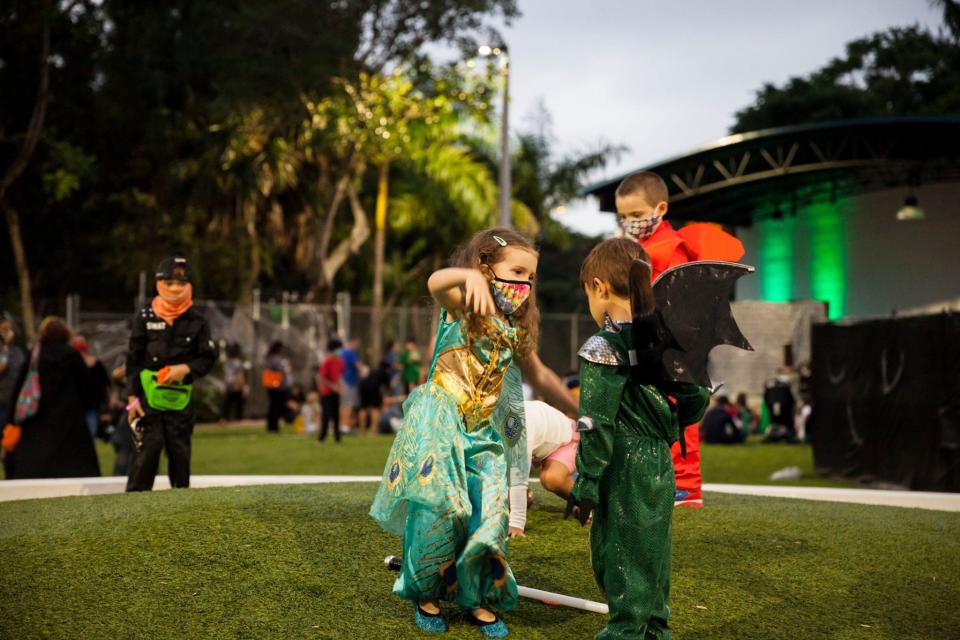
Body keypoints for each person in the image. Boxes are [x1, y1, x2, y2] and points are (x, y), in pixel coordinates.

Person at [370, 228, 576, 637]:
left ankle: (476, 597)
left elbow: (542, 375)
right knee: (441, 511)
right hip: (441, 425)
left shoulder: (514, 330)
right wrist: (467, 279)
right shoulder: (462, 305)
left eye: (530, 277)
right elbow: (435, 283)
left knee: (491, 514)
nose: (524, 284)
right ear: (485, 267)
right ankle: (424, 595)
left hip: (484, 433)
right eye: (516, 271)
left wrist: (580, 412)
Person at [566, 238, 709, 640]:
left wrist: (587, 480)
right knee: (652, 555)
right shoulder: (662, 342)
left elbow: (595, 421)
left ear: (598, 287)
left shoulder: (603, 345)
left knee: (619, 558)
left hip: (622, 462)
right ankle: (654, 632)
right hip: (660, 461)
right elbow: (696, 399)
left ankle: (626, 633)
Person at [615, 170, 744, 508]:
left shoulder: (673, 249)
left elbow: (678, 300)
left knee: (678, 415)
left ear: (660, 208)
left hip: (675, 345)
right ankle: (656, 481)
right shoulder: (640, 248)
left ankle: (687, 488)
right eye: (625, 216)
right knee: (648, 413)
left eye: (638, 215)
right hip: (646, 343)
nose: (630, 222)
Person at [125, 255, 218, 491]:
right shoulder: (145, 317)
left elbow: (207, 357)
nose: (175, 289)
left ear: (189, 287)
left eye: (181, 284)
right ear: (159, 284)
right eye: (169, 284)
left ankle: (180, 509)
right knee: (148, 452)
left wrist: (185, 369)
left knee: (179, 455)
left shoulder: (198, 321)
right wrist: (131, 399)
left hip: (180, 401)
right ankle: (132, 508)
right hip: (148, 400)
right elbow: (133, 360)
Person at [8, 317, 101, 479]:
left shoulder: (35, 355)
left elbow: (20, 387)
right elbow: (87, 386)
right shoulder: (72, 355)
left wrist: (12, 418)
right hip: (70, 417)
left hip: (37, 418)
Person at [508, 400, 579, 538]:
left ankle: (590, 503)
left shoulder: (520, 426)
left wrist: (516, 523)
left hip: (566, 440)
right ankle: (524, 495)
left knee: (551, 479)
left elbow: (518, 476)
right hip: (541, 445)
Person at [0, 319, 26, 479]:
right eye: (3, 329)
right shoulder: (6, 352)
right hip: (1, 404)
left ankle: (13, 476)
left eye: (8, 329)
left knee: (12, 444)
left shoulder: (18, 352)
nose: (6, 332)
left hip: (14, 405)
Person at [317, 339, 344, 443]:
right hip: (326, 393)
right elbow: (321, 378)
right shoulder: (327, 361)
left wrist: (340, 387)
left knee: (337, 415)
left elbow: (339, 376)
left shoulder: (340, 361)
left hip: (336, 393)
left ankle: (338, 439)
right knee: (326, 415)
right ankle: (321, 438)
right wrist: (332, 386)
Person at [263, 341, 291, 433]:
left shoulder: (268, 358)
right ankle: (274, 426)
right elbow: (281, 370)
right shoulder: (276, 359)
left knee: (272, 406)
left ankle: (271, 425)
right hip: (278, 386)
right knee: (276, 406)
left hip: (271, 385)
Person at [357, 361, 391, 436]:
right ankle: (374, 430)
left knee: (363, 408)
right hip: (374, 389)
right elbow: (388, 387)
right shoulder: (385, 373)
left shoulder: (373, 371)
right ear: (387, 368)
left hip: (363, 387)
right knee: (375, 408)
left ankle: (362, 430)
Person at [221, 342, 247, 422]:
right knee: (238, 403)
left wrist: (224, 385)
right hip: (236, 383)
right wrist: (242, 386)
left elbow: (225, 375)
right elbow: (240, 374)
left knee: (227, 402)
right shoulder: (238, 362)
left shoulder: (226, 363)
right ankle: (238, 419)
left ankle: (224, 418)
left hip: (228, 383)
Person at [339, 338, 361, 430]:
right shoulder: (350, 352)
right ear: (351, 343)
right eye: (356, 345)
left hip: (342, 380)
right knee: (348, 404)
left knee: (343, 404)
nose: (357, 347)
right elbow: (358, 365)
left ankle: (342, 424)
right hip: (349, 381)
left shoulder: (342, 352)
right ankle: (345, 426)